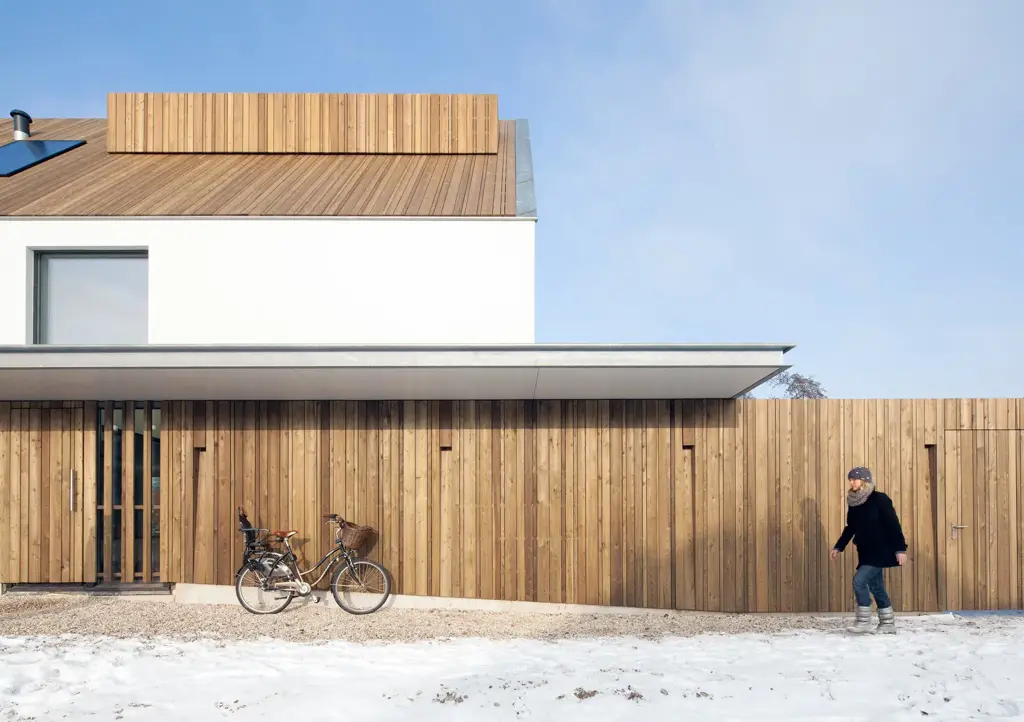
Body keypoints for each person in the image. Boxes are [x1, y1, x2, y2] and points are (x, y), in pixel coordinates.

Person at [830, 466, 908, 634]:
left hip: (881, 550)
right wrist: (839, 546)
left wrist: (900, 549)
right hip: (865, 551)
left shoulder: (880, 499)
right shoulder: (854, 502)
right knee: (876, 586)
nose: (851, 482)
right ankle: (887, 623)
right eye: (850, 479)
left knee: (859, 581)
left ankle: (863, 621)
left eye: (854, 479)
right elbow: (851, 527)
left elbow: (893, 524)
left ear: (864, 480)